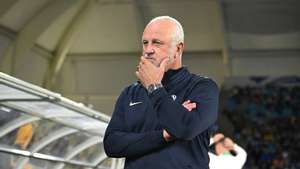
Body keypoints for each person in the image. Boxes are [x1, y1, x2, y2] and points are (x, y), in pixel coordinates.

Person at [103, 16, 219, 169]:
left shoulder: (202, 88)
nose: (148, 50)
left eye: (157, 43)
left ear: (178, 48)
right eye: (145, 43)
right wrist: (165, 134)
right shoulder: (130, 93)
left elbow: (186, 128)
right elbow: (112, 144)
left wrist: (154, 88)